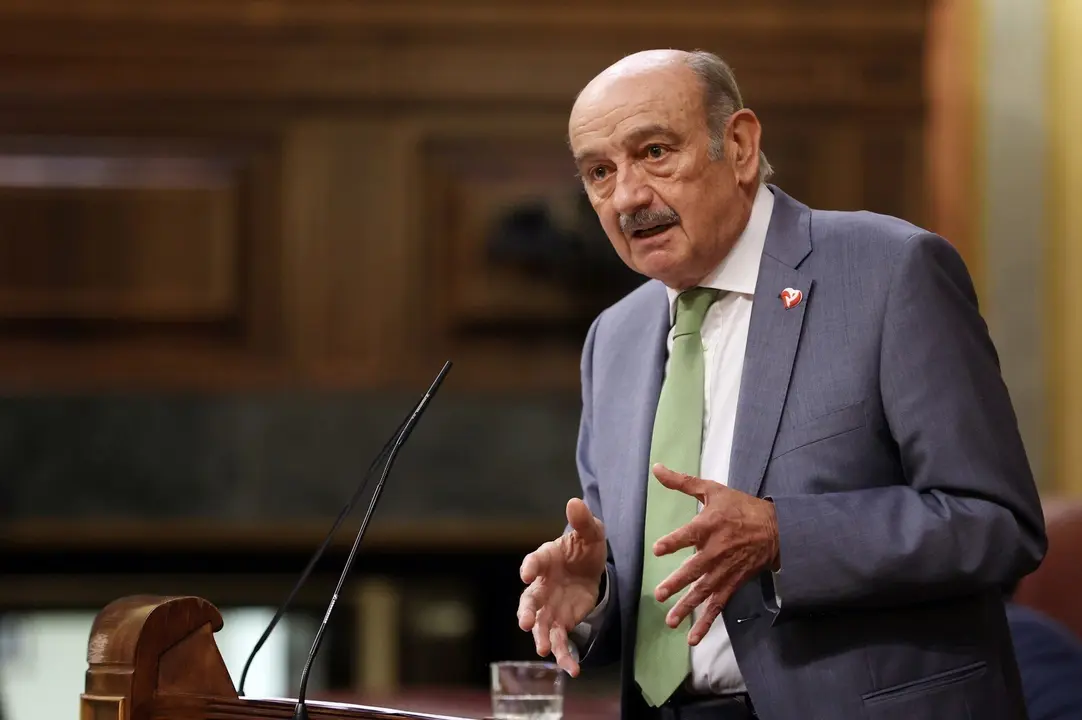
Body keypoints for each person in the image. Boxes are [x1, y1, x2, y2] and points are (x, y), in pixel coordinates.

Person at [516, 49, 1047, 720]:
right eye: (599, 172)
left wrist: (786, 535)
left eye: (653, 152)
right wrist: (596, 594)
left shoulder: (888, 273)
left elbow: (998, 524)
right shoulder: (613, 339)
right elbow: (671, 580)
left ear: (738, 146)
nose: (627, 197)